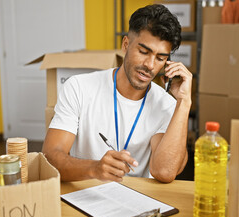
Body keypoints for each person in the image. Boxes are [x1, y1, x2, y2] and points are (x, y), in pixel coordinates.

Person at [42, 4, 192, 183]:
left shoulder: (166, 104)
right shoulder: (79, 87)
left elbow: (164, 171)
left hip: (138, 202)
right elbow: (50, 157)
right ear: (126, 44)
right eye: (144, 52)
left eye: (160, 58)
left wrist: (183, 103)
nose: (150, 65)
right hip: (85, 194)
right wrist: (94, 168)